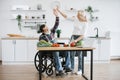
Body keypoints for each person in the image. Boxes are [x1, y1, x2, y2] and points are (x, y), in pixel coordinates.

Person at [37, 9, 71, 76]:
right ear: (44, 29)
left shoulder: (52, 32)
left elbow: (56, 24)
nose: (47, 27)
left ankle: (67, 67)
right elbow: (43, 45)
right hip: (50, 52)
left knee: (67, 50)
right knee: (56, 52)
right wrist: (51, 45)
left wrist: (57, 16)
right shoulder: (41, 37)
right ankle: (60, 70)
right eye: (46, 26)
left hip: (57, 49)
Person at [57, 7, 88, 75]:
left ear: (82, 16)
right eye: (77, 15)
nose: (78, 17)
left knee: (80, 55)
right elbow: (66, 16)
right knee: (71, 54)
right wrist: (59, 10)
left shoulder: (85, 23)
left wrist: (76, 41)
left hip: (80, 38)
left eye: (79, 15)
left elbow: (83, 35)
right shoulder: (76, 18)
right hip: (73, 36)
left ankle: (80, 70)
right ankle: (72, 68)